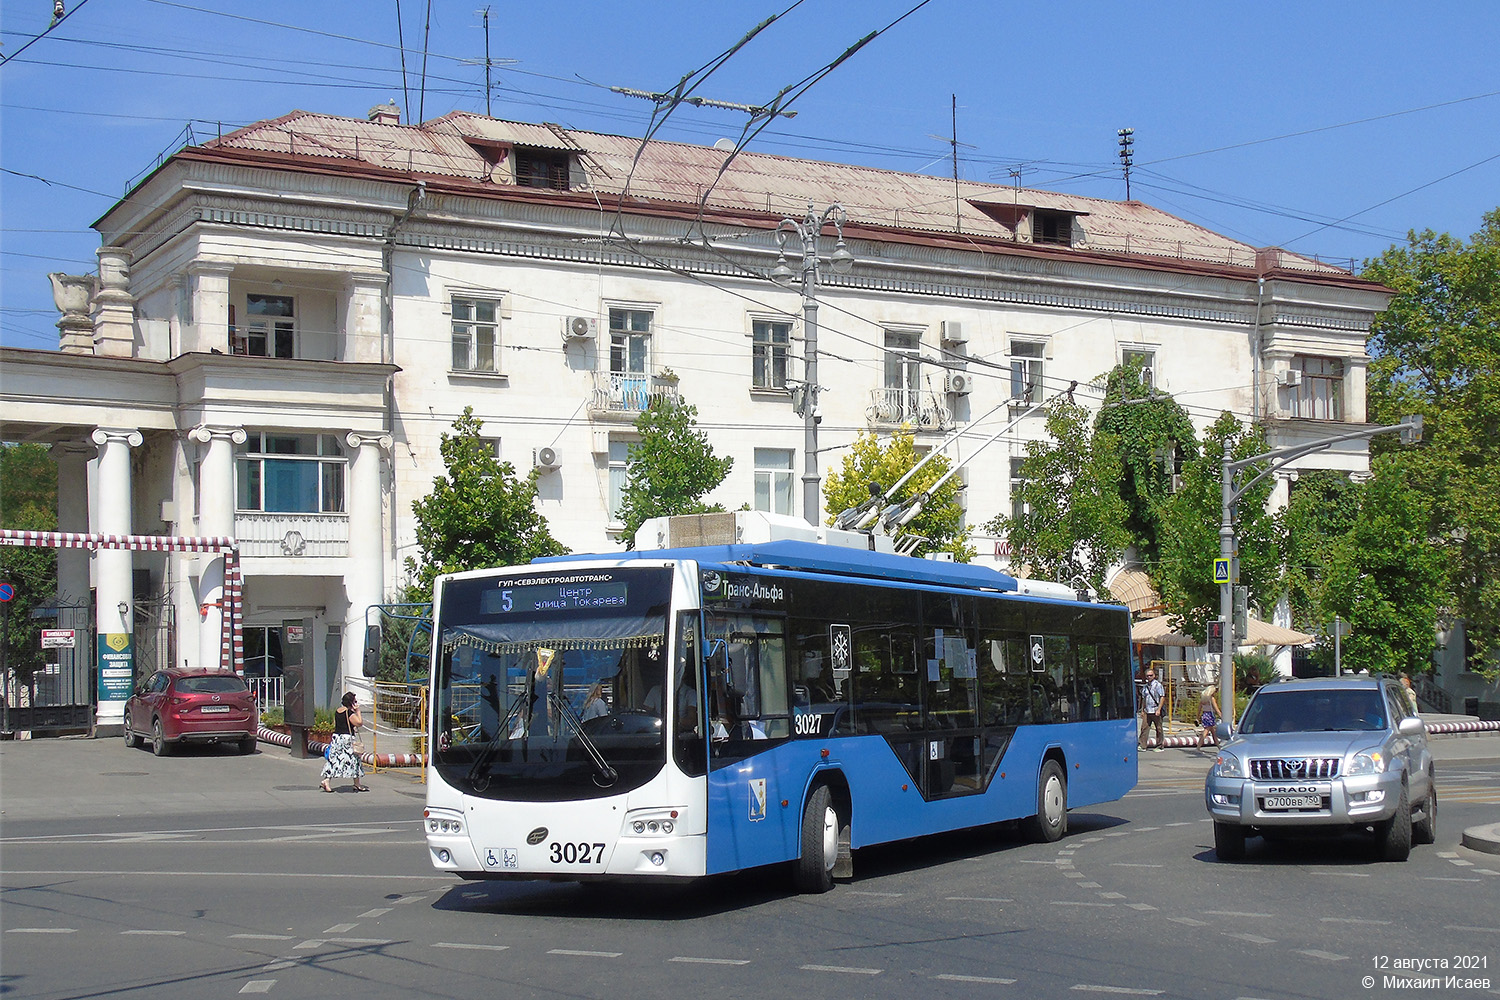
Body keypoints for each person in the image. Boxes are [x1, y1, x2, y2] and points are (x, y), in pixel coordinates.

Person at [320, 691, 368, 792]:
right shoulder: (349, 713)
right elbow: (359, 723)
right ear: (351, 702)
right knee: (354, 759)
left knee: (334, 759)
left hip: (337, 738)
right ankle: (357, 783)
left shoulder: (338, 711)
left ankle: (326, 780)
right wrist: (358, 711)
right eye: (355, 701)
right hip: (347, 739)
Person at [1138, 668, 1165, 752]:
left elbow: (1162, 697)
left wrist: (1159, 709)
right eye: (1148, 676)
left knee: (1159, 728)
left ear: (1154, 676)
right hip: (1147, 710)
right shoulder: (1145, 687)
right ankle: (1142, 745)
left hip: (1155, 709)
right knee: (1144, 728)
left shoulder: (1158, 685)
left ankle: (1159, 745)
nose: (1149, 677)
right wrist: (1142, 710)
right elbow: (1144, 699)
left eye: (1151, 675)